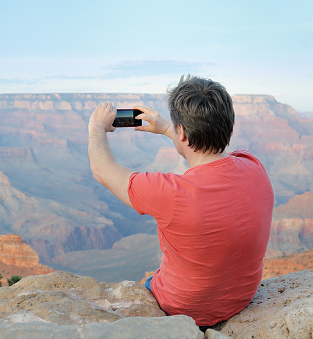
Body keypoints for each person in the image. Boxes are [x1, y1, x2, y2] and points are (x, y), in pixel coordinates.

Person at [87, 75, 274, 327]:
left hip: (184, 309)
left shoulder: (171, 192)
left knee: (148, 283)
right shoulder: (255, 167)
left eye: (176, 127)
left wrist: (96, 128)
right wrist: (167, 128)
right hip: (241, 298)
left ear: (182, 133)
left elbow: (102, 169)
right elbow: (217, 159)